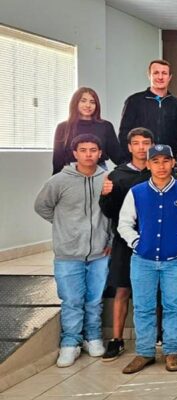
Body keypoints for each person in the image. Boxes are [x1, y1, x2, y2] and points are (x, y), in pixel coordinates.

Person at [34, 133, 112, 367]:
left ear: (100, 153)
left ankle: (93, 337)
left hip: (99, 252)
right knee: (71, 300)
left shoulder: (107, 179)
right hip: (68, 254)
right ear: (75, 153)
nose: (88, 154)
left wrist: (107, 238)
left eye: (93, 150)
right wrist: (64, 228)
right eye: (83, 150)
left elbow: (111, 213)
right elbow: (42, 207)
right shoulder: (59, 181)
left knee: (95, 299)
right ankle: (70, 342)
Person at [117, 144, 177, 373]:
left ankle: (172, 352)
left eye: (165, 161)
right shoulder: (137, 192)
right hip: (142, 261)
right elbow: (124, 224)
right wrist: (137, 243)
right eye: (156, 161)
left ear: (172, 163)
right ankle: (144, 353)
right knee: (143, 307)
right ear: (148, 164)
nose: (161, 166)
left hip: (174, 260)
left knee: (173, 306)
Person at [98, 127, 153, 361]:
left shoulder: (159, 170)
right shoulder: (117, 175)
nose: (141, 148)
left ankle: (157, 336)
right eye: (137, 143)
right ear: (129, 147)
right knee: (122, 288)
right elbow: (109, 211)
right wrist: (106, 195)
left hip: (153, 239)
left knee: (157, 289)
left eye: (146, 143)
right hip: (124, 240)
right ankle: (117, 339)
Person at [118, 59, 177, 162]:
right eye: (156, 73)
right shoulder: (134, 101)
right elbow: (124, 134)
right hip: (141, 162)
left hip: (168, 162)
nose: (160, 77)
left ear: (170, 77)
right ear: (149, 75)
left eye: (164, 73)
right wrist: (128, 161)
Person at [53, 87, 124, 174]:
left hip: (99, 170)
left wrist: (130, 174)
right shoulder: (63, 127)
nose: (88, 105)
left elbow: (117, 156)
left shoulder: (106, 126)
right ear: (75, 103)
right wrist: (56, 179)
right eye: (83, 101)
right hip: (71, 171)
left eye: (92, 102)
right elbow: (58, 159)